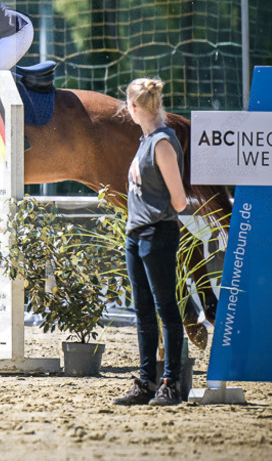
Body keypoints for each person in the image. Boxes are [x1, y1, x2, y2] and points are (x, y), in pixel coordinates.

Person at [113, 77, 188, 407]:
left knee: (166, 309)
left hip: (156, 233)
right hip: (136, 234)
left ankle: (170, 382)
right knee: (143, 311)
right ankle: (146, 381)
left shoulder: (161, 143)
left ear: (132, 108)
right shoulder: (146, 141)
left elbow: (180, 201)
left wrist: (155, 215)